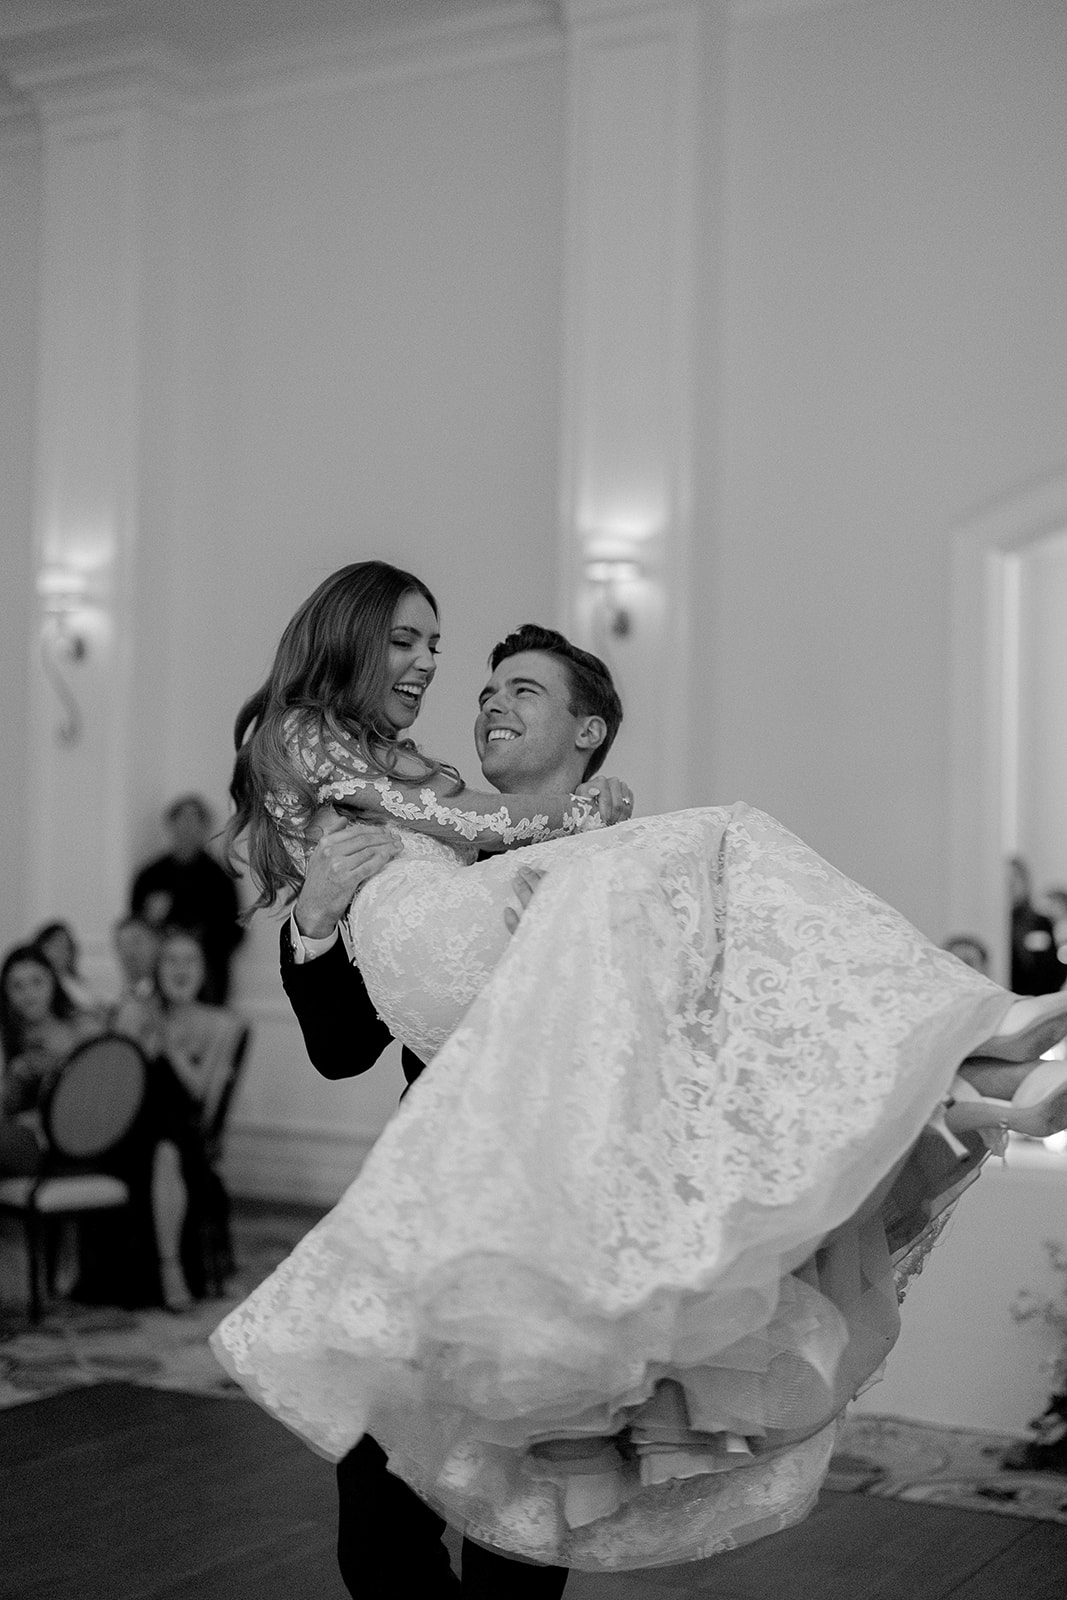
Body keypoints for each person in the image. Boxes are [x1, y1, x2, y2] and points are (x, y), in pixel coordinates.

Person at [212, 562, 1067, 1576]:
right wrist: (312, 920)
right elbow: (342, 1048)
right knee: (379, 1495)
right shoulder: (426, 841)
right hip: (450, 1204)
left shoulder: (628, 869)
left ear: (586, 732)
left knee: (531, 1512)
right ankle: (961, 1061)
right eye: (470, 682)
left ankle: (954, 1059)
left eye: (517, 690)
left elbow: (715, 1043)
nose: (471, 695)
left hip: (585, 1210)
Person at [112, 928, 242, 1309]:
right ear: (157, 968)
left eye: (190, 961)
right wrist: (136, 1021)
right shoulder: (137, 1013)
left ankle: (171, 1267)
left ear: (203, 969)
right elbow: (116, 1081)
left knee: (168, 1147)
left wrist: (168, 1043)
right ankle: (164, 1268)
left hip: (187, 1133)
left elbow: (201, 1092)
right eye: (171, 960)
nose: (180, 970)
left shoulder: (222, 1023)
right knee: (160, 1141)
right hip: (132, 1129)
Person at [130, 795, 244, 1003]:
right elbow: (134, 929)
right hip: (158, 973)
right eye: (181, 820)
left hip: (207, 975)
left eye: (194, 821)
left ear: (204, 828)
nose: (187, 828)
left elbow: (235, 931)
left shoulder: (219, 878)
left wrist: (196, 944)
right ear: (170, 825)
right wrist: (152, 921)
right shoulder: (150, 875)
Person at [1, 944, 101, 1177]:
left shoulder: (81, 1027)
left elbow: (104, 1092)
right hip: (24, 1140)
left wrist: (59, 1065)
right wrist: (13, 1076)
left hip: (79, 1139)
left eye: (37, 982)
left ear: (53, 982)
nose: (29, 994)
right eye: (17, 986)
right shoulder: (7, 1037)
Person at [1009, 855, 1065, 996]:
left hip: (1039, 997)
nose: (1011, 886)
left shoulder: (1039, 922)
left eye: (1015, 879)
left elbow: (1053, 967)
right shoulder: (998, 926)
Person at [32, 920, 107, 1019]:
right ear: (42, 947)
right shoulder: (42, 984)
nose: (62, 951)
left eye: (66, 946)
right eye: (56, 945)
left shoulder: (76, 979)